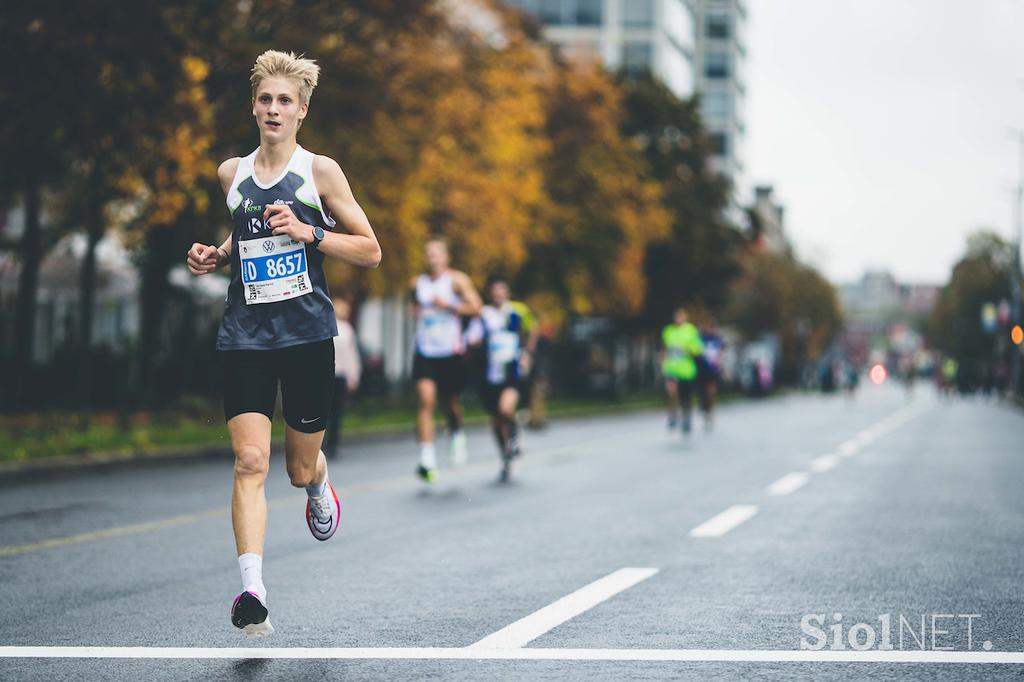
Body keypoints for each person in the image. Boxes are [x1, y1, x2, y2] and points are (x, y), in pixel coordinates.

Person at [186, 50, 381, 637]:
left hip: (304, 335)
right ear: (254, 107)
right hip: (245, 332)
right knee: (249, 461)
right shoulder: (231, 173)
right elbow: (243, 228)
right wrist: (216, 254)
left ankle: (320, 484)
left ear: (302, 112)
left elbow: (370, 249)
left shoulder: (320, 172)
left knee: (297, 469)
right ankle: (253, 591)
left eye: (285, 101)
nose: (274, 109)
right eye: (265, 100)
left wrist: (308, 231)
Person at [409, 237, 482, 482]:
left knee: (450, 403)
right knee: (425, 400)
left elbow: (476, 307)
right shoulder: (417, 283)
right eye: (429, 254)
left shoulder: (457, 280)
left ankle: (456, 434)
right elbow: (413, 308)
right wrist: (417, 312)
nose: (433, 258)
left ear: (446, 257)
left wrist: (449, 305)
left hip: (450, 352)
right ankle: (426, 459)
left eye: (437, 254)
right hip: (425, 350)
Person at [474, 275, 539, 482]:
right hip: (490, 374)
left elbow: (534, 328)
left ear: (507, 292)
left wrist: (527, 353)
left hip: (512, 371)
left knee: (505, 410)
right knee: (496, 422)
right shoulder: (483, 314)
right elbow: (472, 337)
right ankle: (506, 457)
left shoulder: (517, 311)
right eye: (494, 290)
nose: (498, 294)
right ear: (490, 293)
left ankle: (515, 434)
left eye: (502, 289)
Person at [324, 298, 361, 460]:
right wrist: (353, 376)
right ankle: (332, 444)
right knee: (335, 412)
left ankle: (324, 444)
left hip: (328, 374)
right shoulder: (346, 329)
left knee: (324, 411)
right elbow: (351, 356)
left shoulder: (325, 326)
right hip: (339, 375)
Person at [661, 308, 704, 436]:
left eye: (681, 317)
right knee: (671, 391)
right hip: (672, 368)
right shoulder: (668, 331)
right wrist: (663, 358)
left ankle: (687, 417)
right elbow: (664, 347)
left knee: (686, 397)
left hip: (686, 370)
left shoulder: (691, 331)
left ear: (686, 318)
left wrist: (688, 350)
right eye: (677, 317)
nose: (679, 319)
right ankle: (673, 415)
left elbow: (698, 349)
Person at [697, 317, 724, 432]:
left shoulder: (717, 339)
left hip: (713, 370)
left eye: (712, 327)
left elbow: (721, 353)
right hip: (702, 370)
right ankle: (704, 408)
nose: (710, 329)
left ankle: (710, 414)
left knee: (712, 391)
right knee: (703, 393)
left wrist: (720, 362)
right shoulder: (700, 338)